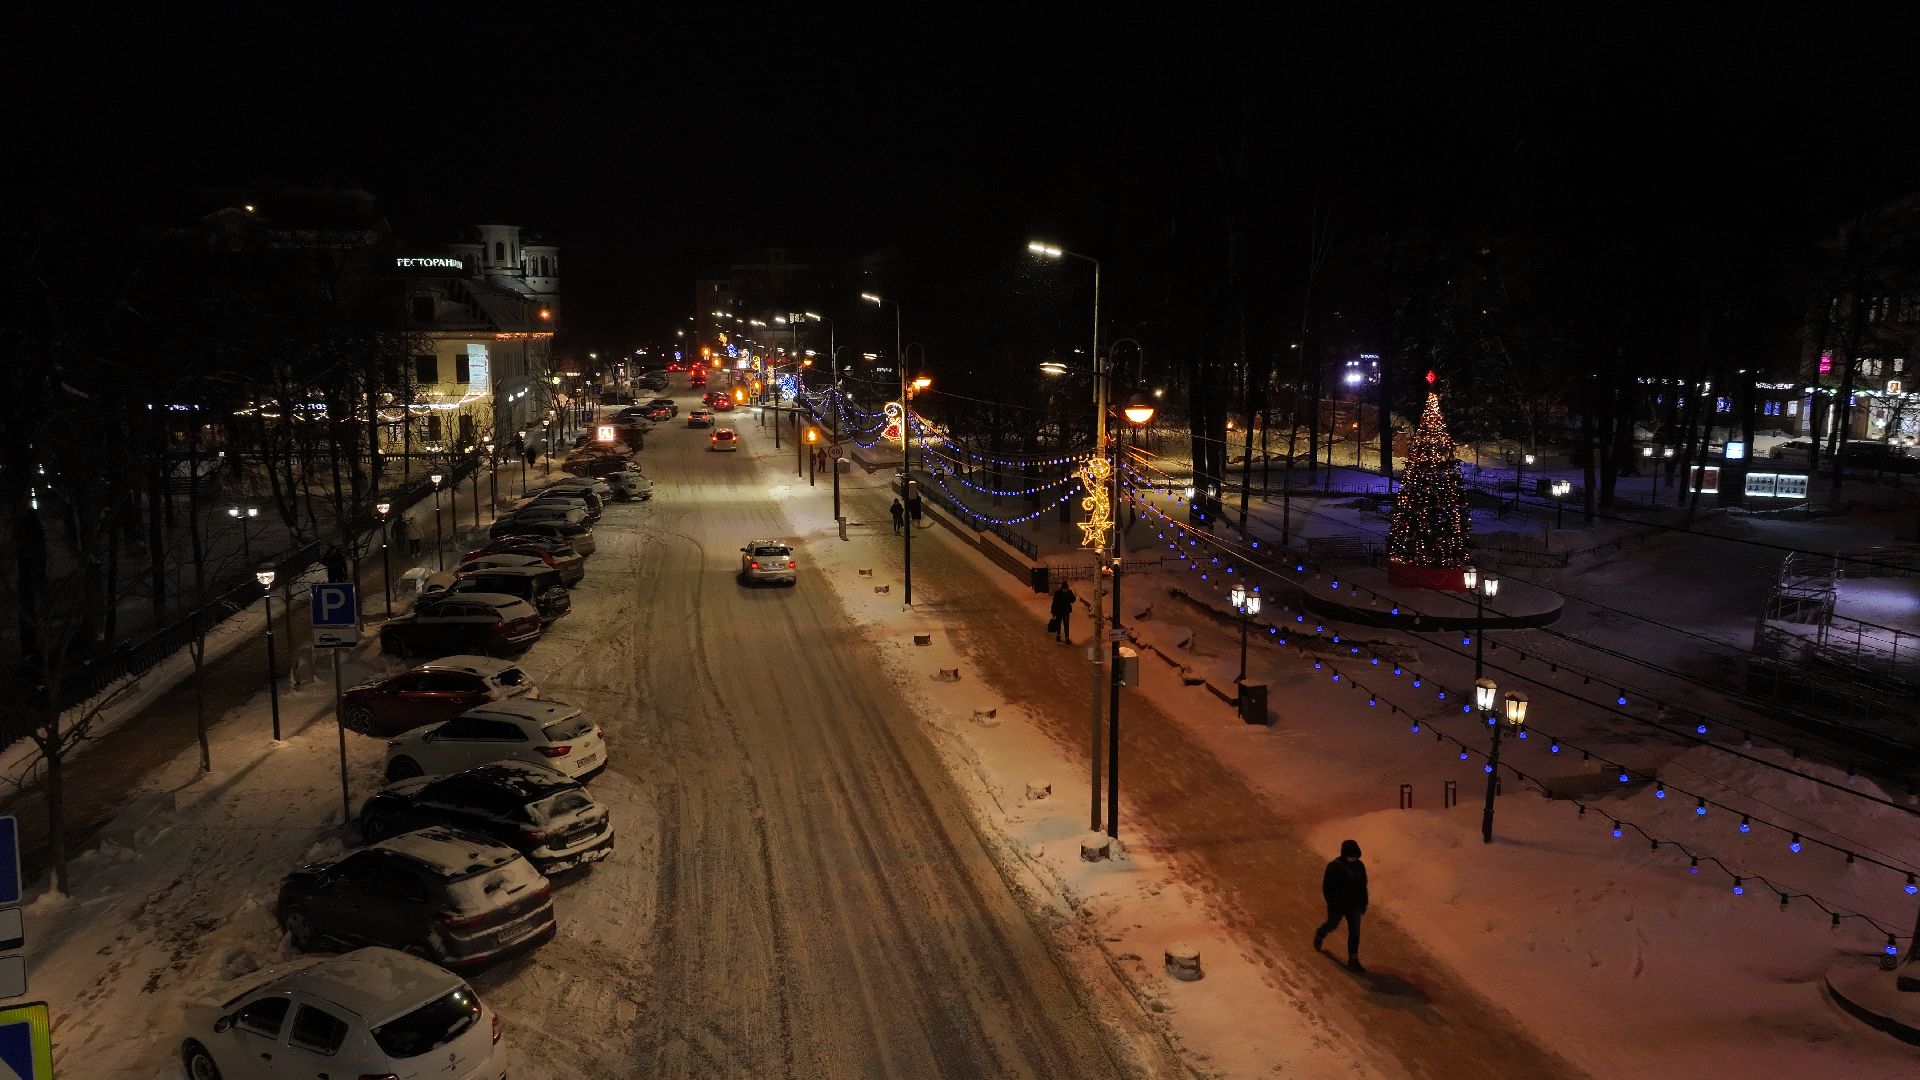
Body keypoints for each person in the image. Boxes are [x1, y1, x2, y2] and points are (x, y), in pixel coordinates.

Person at [1314, 839, 1369, 972]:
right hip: (1338, 906)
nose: (1353, 858)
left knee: (1355, 932)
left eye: (1355, 855)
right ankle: (1321, 934)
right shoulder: (1334, 866)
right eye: (1351, 855)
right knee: (1332, 924)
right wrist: (1333, 903)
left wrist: (1363, 902)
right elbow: (1327, 888)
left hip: (1354, 905)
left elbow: (1363, 886)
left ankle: (1353, 960)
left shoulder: (1359, 866)